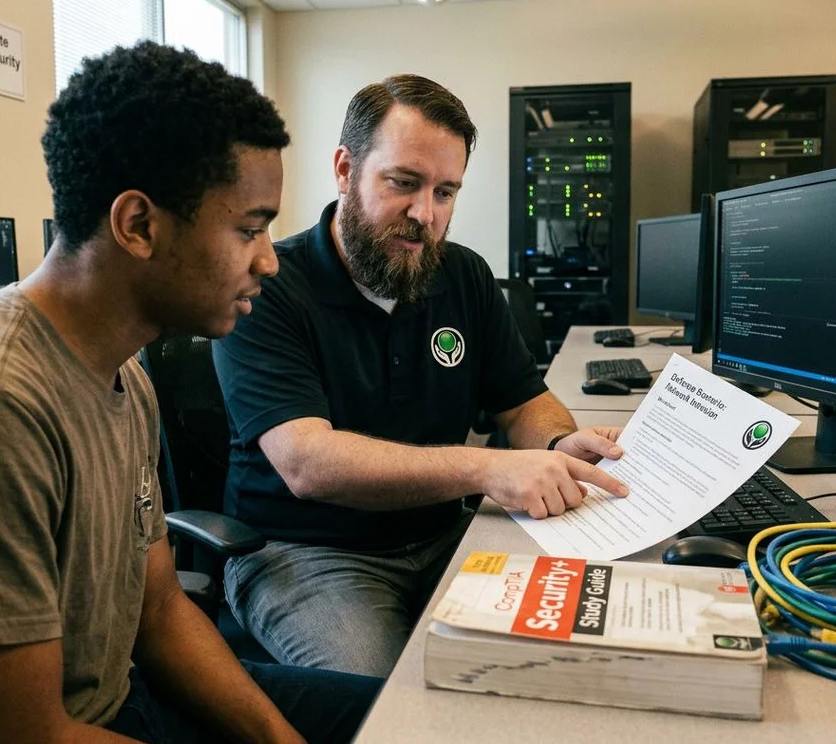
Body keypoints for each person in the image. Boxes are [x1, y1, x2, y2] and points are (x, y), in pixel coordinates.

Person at [0, 42, 379, 744]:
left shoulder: (123, 374)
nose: (268, 258)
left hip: (117, 700)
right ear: (138, 225)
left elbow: (160, 613)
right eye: (248, 229)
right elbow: (19, 739)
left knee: (407, 718)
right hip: (54, 730)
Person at [213, 74, 630, 679]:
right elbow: (308, 463)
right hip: (306, 554)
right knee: (391, 708)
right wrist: (486, 468)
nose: (424, 214)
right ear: (344, 169)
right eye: (404, 183)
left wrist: (556, 444)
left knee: (554, 663)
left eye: (445, 193)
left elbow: (523, 402)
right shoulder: (269, 286)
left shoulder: (462, 276)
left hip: (445, 538)